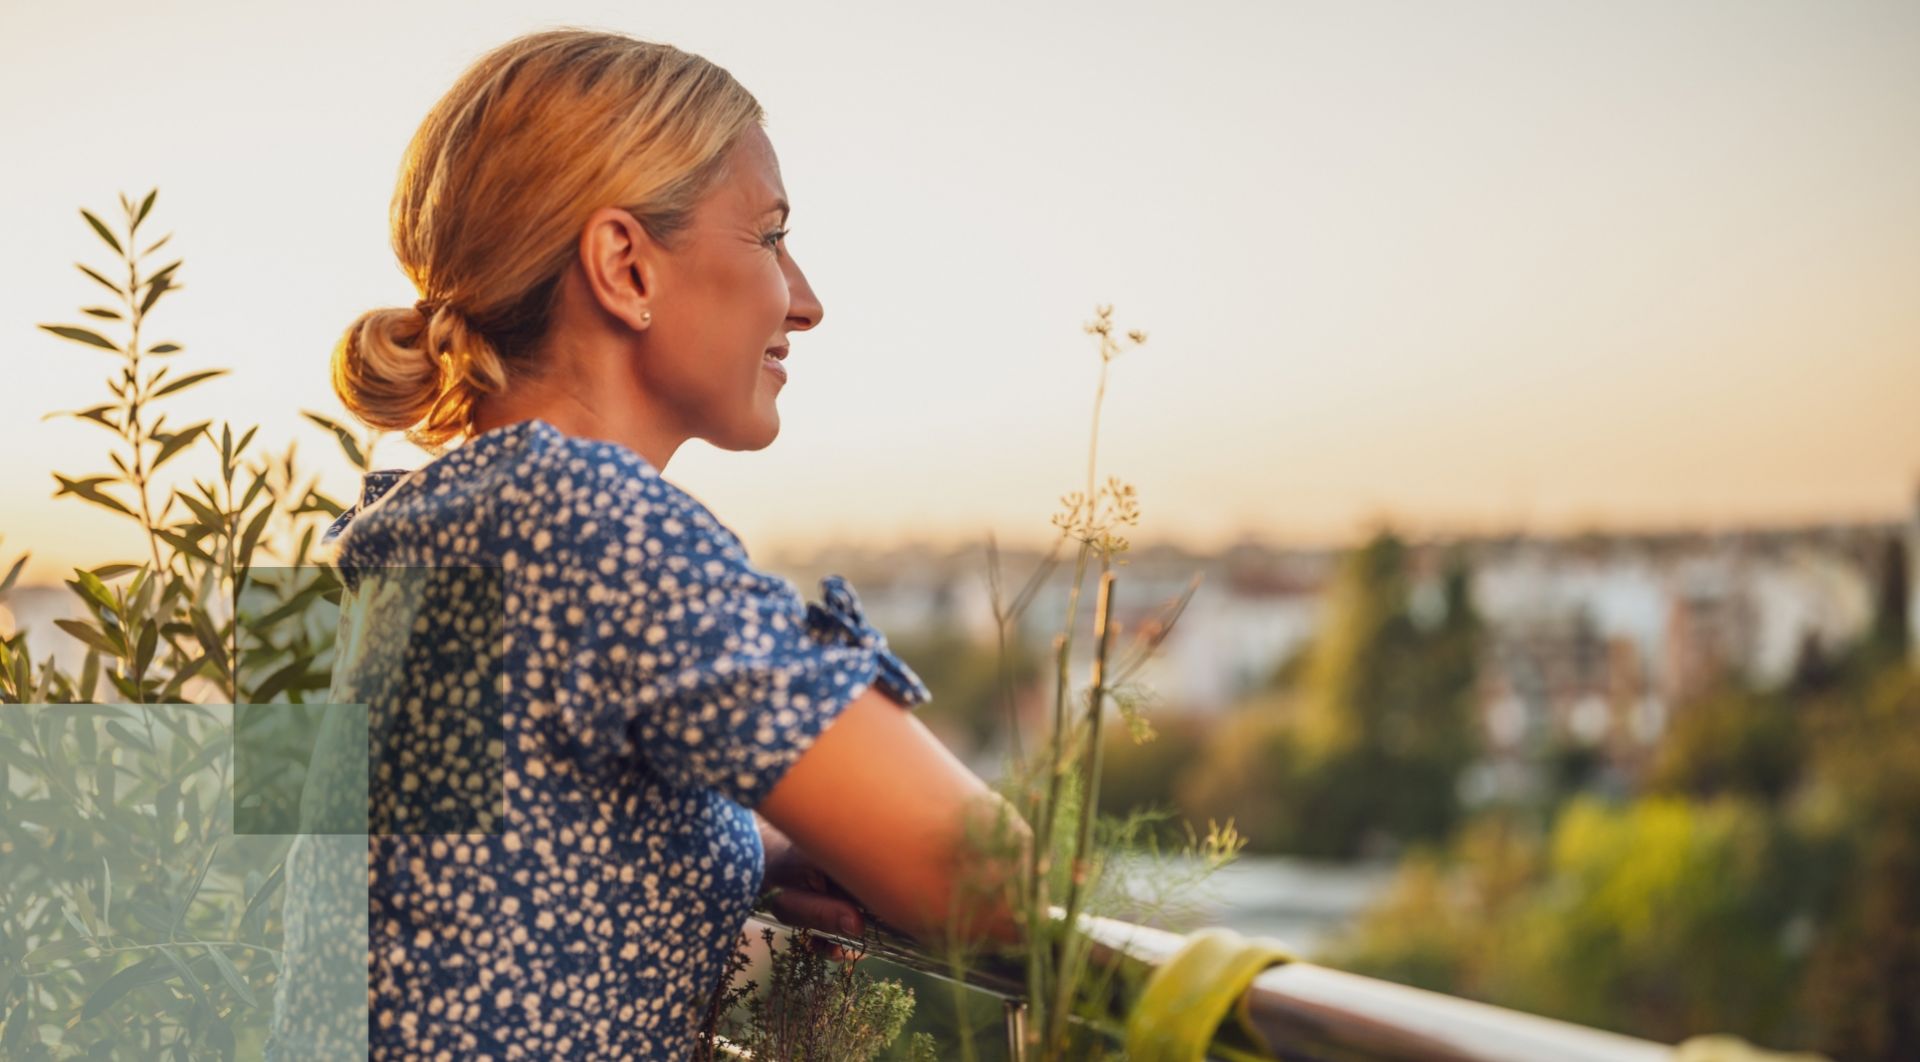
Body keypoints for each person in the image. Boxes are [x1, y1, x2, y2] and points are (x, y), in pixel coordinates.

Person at [265, 28, 1026, 1060]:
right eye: (768, 237)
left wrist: (750, 844)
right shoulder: (589, 520)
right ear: (626, 265)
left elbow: (478, 879)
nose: (804, 300)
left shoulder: (401, 538)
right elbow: (991, 882)